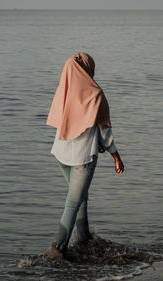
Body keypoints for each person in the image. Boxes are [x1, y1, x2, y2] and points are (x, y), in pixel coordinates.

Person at [46, 52, 124, 257]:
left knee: (80, 197)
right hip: (83, 158)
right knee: (73, 202)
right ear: (89, 69)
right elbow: (105, 131)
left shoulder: (65, 90)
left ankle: (83, 238)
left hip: (61, 154)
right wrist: (116, 156)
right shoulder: (96, 94)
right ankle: (58, 250)